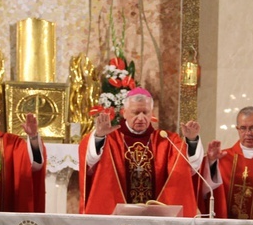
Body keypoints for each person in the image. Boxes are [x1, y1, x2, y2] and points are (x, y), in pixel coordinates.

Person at [79, 87, 203, 216]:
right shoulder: (110, 139)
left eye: (146, 112)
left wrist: (192, 140)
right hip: (115, 217)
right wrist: (99, 137)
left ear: (152, 114)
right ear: (124, 112)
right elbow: (90, 161)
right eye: (136, 112)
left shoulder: (166, 140)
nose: (141, 117)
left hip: (157, 219)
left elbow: (189, 168)